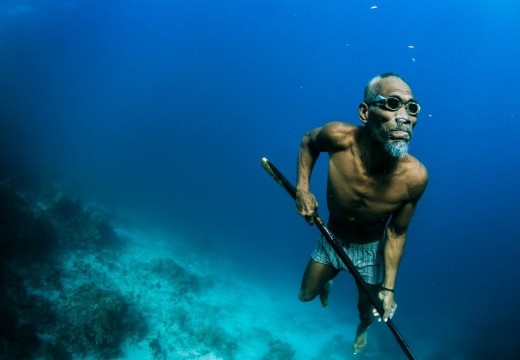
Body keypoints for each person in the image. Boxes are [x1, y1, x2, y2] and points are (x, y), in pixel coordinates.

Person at [295, 73, 428, 354]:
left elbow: (397, 231)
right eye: (392, 104)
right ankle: (329, 279)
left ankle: (361, 330)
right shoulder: (338, 137)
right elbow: (309, 142)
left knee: (366, 313)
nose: (404, 117)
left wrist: (389, 290)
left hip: (371, 251)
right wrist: (303, 189)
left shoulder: (415, 177)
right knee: (305, 295)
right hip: (330, 235)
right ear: (365, 112)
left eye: (411, 108)